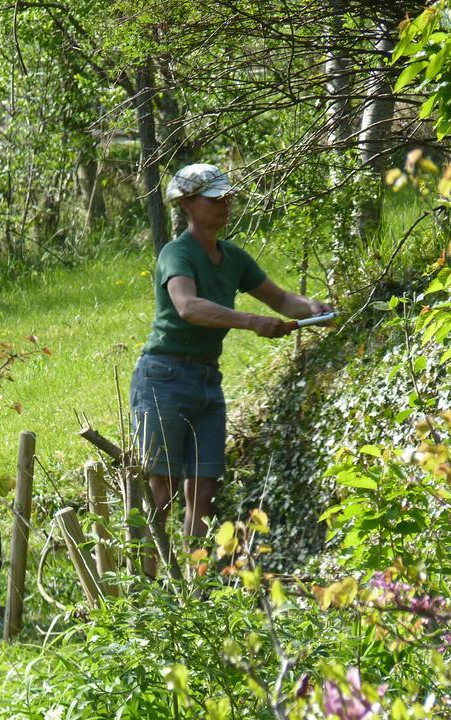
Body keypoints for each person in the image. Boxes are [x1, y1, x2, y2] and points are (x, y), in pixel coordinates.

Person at [130, 164, 332, 568]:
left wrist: (314, 309)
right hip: (163, 377)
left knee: (203, 490)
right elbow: (188, 307)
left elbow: (279, 300)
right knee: (162, 489)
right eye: (214, 198)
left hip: (207, 379)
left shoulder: (234, 257)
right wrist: (250, 321)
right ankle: (142, 586)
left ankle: (197, 584)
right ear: (187, 205)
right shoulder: (177, 253)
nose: (225, 204)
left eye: (227, 196)